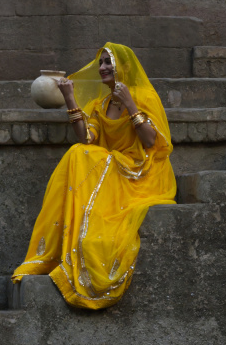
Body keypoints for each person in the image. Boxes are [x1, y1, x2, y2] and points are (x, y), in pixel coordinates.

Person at [11, 43, 176, 309]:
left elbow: (150, 142)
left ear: (123, 67)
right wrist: (70, 98)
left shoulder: (144, 96)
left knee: (82, 155)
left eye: (108, 62)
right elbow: (86, 138)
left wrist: (131, 105)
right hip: (112, 169)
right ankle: (51, 252)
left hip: (141, 170)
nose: (102, 68)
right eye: (100, 63)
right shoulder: (102, 103)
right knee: (79, 151)